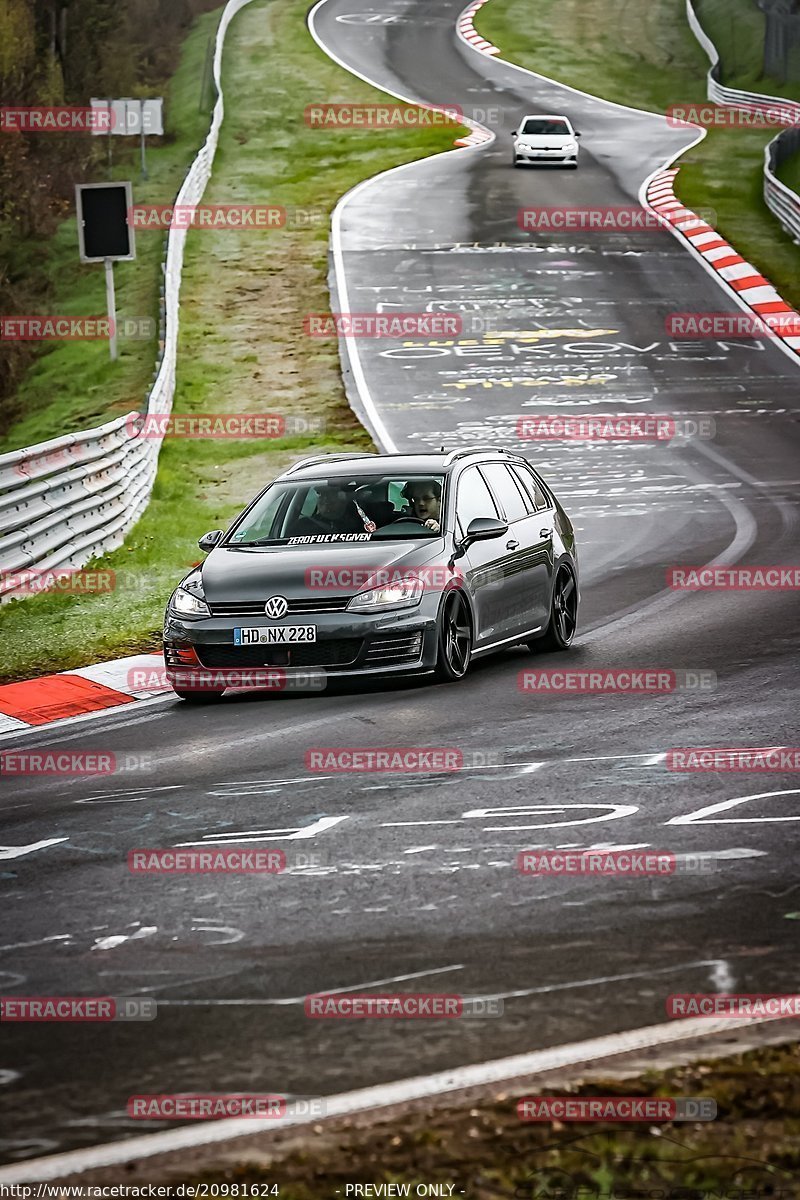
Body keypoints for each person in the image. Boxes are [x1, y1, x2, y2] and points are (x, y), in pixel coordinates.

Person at [291, 485, 367, 535]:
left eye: (331, 493)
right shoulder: (304, 525)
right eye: (321, 494)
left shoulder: (362, 520)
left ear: (344, 498)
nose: (325, 499)